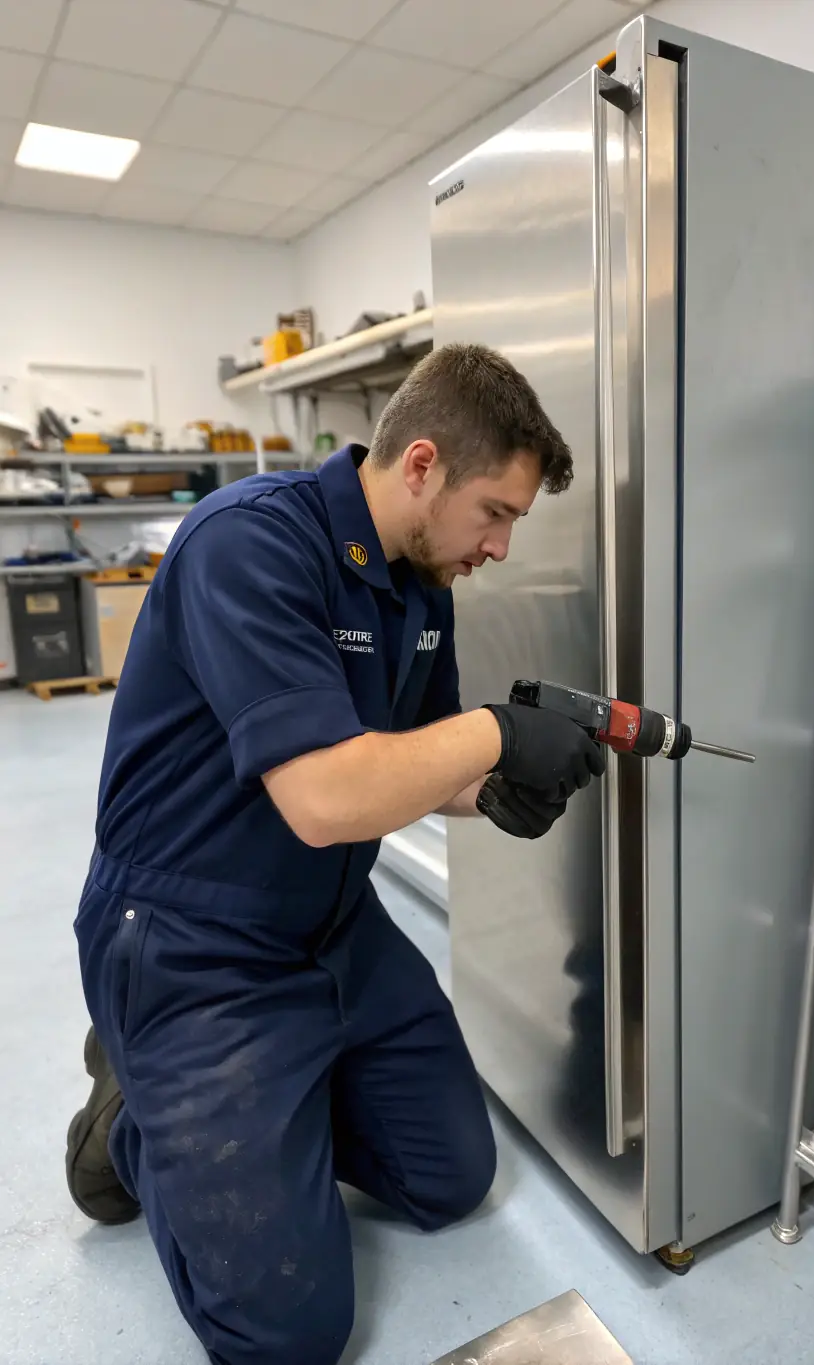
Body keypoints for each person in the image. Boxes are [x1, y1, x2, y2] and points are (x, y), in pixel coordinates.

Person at [66, 343, 605, 1365]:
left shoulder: (420, 585)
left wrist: (498, 792)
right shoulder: (250, 544)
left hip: (331, 928)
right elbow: (322, 797)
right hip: (193, 943)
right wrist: (496, 732)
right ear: (421, 466)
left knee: (447, 1178)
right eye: (494, 512)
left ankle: (263, 1114)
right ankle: (135, 1114)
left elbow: (413, 766)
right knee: (288, 1339)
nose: (498, 546)